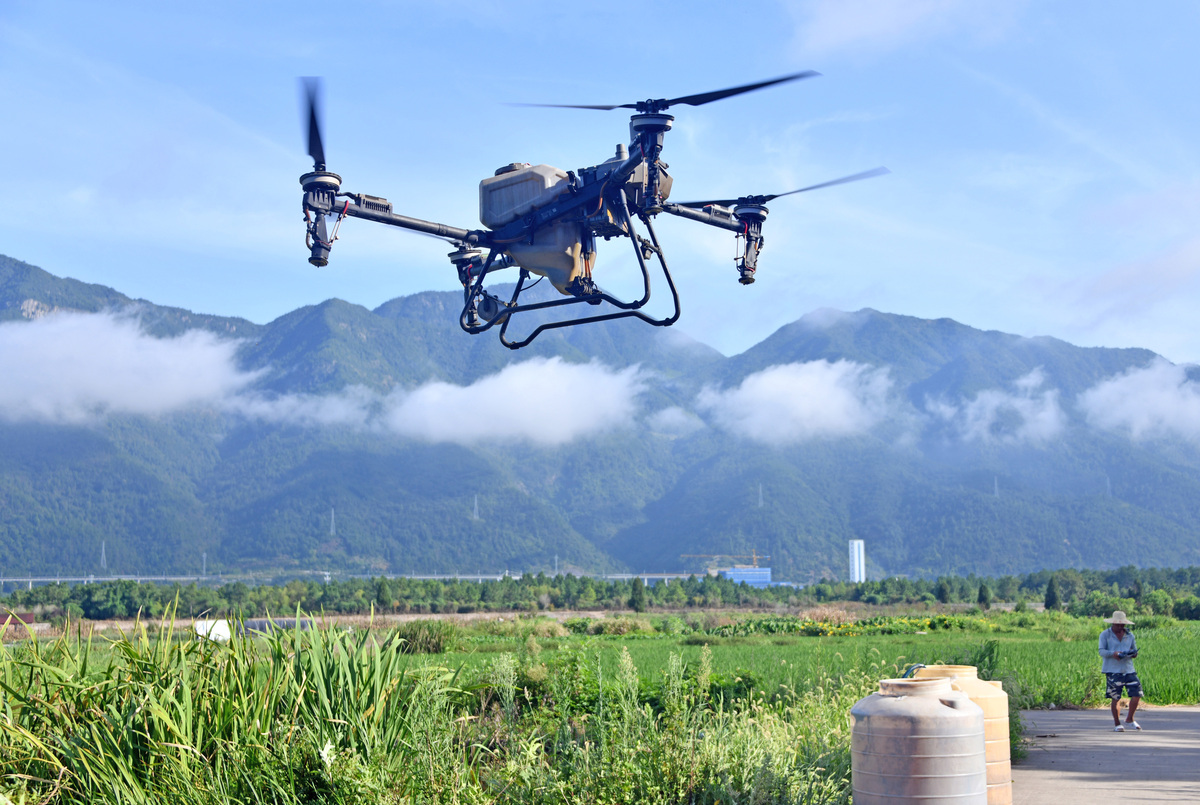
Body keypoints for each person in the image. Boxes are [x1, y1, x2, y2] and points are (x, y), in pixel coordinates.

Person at [1098, 610, 1142, 731]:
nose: (1121, 627)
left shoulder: (1130, 635)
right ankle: (1117, 724)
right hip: (1113, 670)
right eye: (1118, 624)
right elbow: (1101, 651)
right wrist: (1114, 653)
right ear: (1113, 624)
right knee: (1115, 697)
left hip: (1128, 669)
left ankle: (1130, 718)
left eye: (1122, 624)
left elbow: (1133, 649)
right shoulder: (1105, 635)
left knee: (1137, 693)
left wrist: (1133, 654)